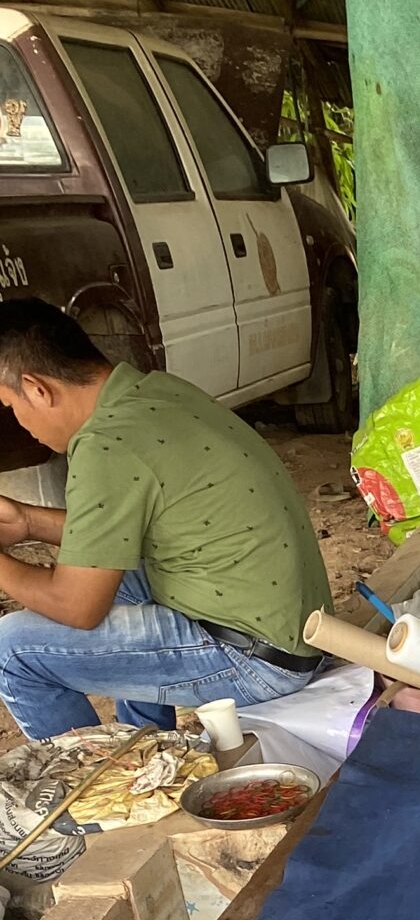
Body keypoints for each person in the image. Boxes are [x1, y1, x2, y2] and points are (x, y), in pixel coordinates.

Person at [0, 297, 328, 741]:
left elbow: (76, 607)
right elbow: (115, 537)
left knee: (11, 649)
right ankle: (145, 748)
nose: (18, 423)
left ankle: (88, 807)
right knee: (120, 575)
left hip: (255, 661)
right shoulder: (154, 393)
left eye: (10, 405)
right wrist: (28, 521)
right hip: (292, 633)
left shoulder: (107, 444)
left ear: (37, 389)